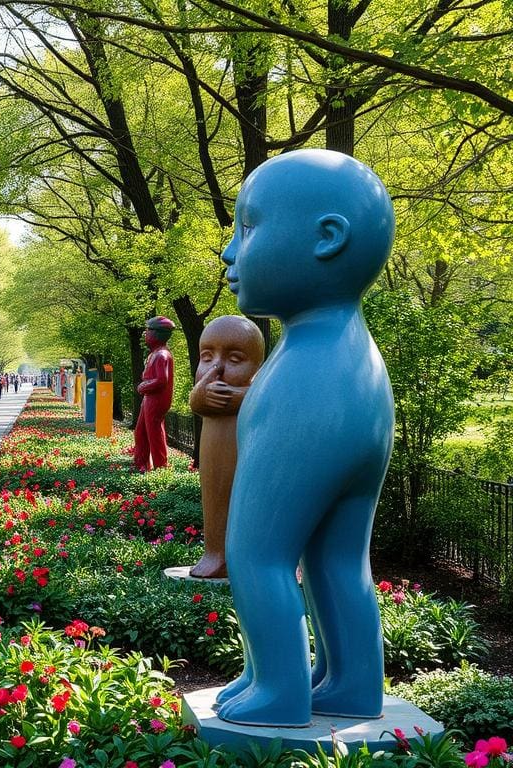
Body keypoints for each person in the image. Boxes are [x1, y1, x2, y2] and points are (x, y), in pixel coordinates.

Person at [216, 149, 395, 727]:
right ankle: (351, 682)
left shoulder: (304, 364)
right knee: (339, 558)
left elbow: (256, 554)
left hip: (310, 412)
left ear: (327, 238)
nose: (231, 251)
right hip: (359, 408)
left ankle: (279, 688)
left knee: (257, 553)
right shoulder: (349, 347)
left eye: (247, 227)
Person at [188, 315, 265, 579]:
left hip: (247, 455)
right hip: (213, 457)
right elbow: (196, 403)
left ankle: (250, 557)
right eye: (207, 357)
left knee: (249, 503)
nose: (217, 368)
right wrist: (200, 395)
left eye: (234, 360)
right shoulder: (207, 388)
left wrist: (238, 397)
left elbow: (264, 401)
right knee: (215, 501)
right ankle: (215, 553)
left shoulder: (259, 390)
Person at [133, 316, 176, 471]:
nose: (145, 334)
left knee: (154, 433)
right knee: (141, 431)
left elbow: (161, 380)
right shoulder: (154, 354)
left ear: (157, 333)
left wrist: (143, 386)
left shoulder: (162, 355)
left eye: (148, 330)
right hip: (149, 398)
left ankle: (160, 467)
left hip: (156, 400)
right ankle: (142, 464)